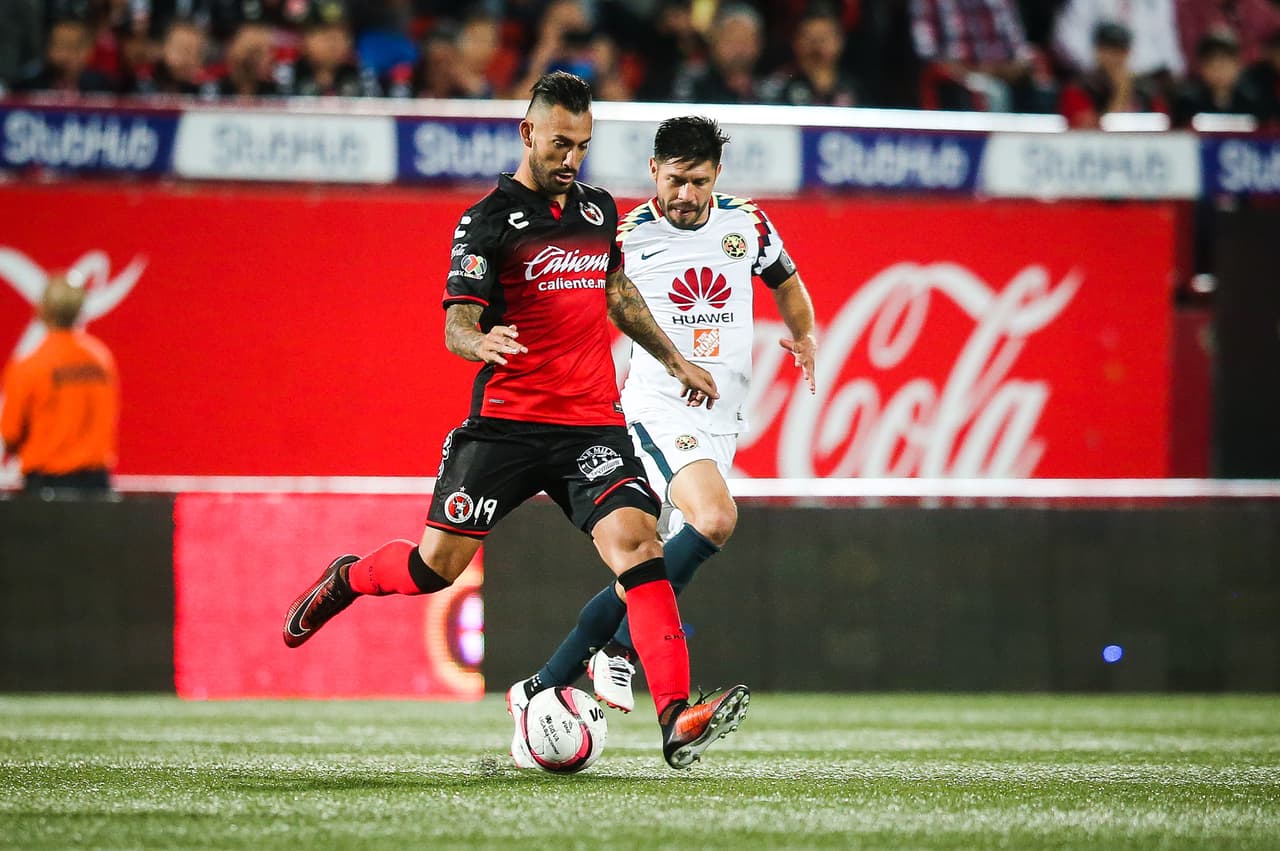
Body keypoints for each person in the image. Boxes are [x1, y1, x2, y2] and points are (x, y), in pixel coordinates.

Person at [281, 72, 750, 772]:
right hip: (504, 425)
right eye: (561, 143)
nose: (572, 159)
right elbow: (456, 325)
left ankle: (676, 713)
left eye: (582, 146)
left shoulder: (596, 211)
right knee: (433, 567)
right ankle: (347, 578)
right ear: (527, 133)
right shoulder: (487, 221)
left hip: (590, 425)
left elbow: (616, 293)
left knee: (641, 548)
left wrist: (673, 357)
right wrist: (482, 342)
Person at [509, 115, 817, 719]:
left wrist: (803, 334)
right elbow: (574, 303)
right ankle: (619, 654)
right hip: (659, 405)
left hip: (722, 418)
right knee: (716, 517)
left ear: (716, 176)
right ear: (653, 171)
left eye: (698, 181)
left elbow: (786, 280)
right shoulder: (624, 236)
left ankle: (546, 684)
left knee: (655, 566)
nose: (685, 194)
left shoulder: (747, 223)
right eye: (675, 180)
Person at [1, 272, 120, 494]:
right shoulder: (102, 360)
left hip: (46, 487)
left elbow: (10, 433)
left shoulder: (29, 365)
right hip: (96, 487)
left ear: (41, 312)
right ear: (80, 310)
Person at [1059, 21, 1167, 129]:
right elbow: (1086, 130)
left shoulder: (1145, 88)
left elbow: (1164, 125)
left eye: (1121, 51)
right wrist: (1120, 92)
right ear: (1097, 51)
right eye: (1109, 50)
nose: (1115, 57)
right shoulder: (1080, 87)